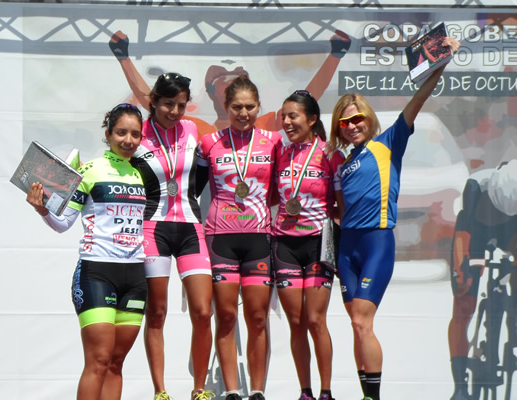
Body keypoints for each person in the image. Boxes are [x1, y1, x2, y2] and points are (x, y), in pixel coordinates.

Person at [328, 37, 461, 400]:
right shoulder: (340, 161)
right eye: (345, 121)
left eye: (357, 118)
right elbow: (338, 209)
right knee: (356, 326)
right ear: (339, 127)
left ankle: (374, 397)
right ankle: (365, 394)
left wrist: (442, 63)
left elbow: (418, 100)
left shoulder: (388, 142)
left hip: (377, 241)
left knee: (362, 320)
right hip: (347, 247)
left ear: (368, 119)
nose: (352, 125)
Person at [26, 103, 147, 400]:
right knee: (99, 360)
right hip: (97, 273)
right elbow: (63, 223)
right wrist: (42, 208)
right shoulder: (89, 171)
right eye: (121, 133)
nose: (128, 140)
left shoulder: (142, 173)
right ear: (108, 134)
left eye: (135, 134)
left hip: (135, 277)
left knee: (116, 364)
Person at [128, 73, 215, 400]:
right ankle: (160, 391)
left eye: (181, 105)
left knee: (203, 311)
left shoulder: (191, 129)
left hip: (191, 227)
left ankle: (199, 390)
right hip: (153, 228)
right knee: (157, 312)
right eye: (168, 104)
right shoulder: (139, 134)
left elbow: (201, 175)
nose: (175, 111)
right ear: (153, 102)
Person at [196, 75, 282, 400]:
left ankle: (258, 390)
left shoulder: (274, 141)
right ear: (225, 107)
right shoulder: (209, 143)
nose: (243, 113)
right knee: (227, 316)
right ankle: (232, 391)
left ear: (258, 107)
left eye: (249, 107)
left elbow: (288, 185)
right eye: (236, 107)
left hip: (259, 238)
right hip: (221, 239)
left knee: (258, 318)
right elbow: (191, 191)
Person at [108, 29, 351, 136]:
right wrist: (123, 58)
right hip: (210, 212)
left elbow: (303, 102)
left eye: (239, 79)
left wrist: (335, 56)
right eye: (226, 79)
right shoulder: (198, 129)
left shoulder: (262, 125)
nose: (234, 84)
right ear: (212, 91)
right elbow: (151, 101)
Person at [272, 90, 345, 400]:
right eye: (284, 117)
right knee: (296, 322)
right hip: (284, 244)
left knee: (315, 320)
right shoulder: (280, 151)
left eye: (293, 116)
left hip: (317, 244)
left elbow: (342, 206)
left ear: (312, 119)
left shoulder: (330, 154)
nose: (287, 122)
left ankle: (326, 392)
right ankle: (306, 392)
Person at [447, 160, 517, 400]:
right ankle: (460, 386)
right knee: (463, 302)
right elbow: (463, 238)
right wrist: (464, 271)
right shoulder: (477, 186)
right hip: (476, 230)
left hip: (513, 230)